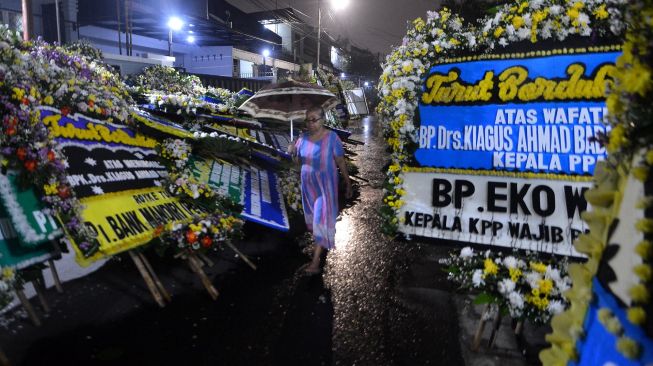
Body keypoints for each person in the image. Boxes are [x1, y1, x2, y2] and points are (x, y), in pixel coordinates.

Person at [287, 106, 352, 274]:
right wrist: (292, 151)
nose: (311, 123)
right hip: (308, 187)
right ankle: (321, 242)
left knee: (320, 218)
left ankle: (315, 262)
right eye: (308, 120)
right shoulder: (302, 139)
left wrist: (348, 182)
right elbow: (297, 164)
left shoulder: (331, 138)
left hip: (325, 187)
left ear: (323, 119)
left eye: (314, 119)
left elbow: (340, 161)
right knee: (315, 221)